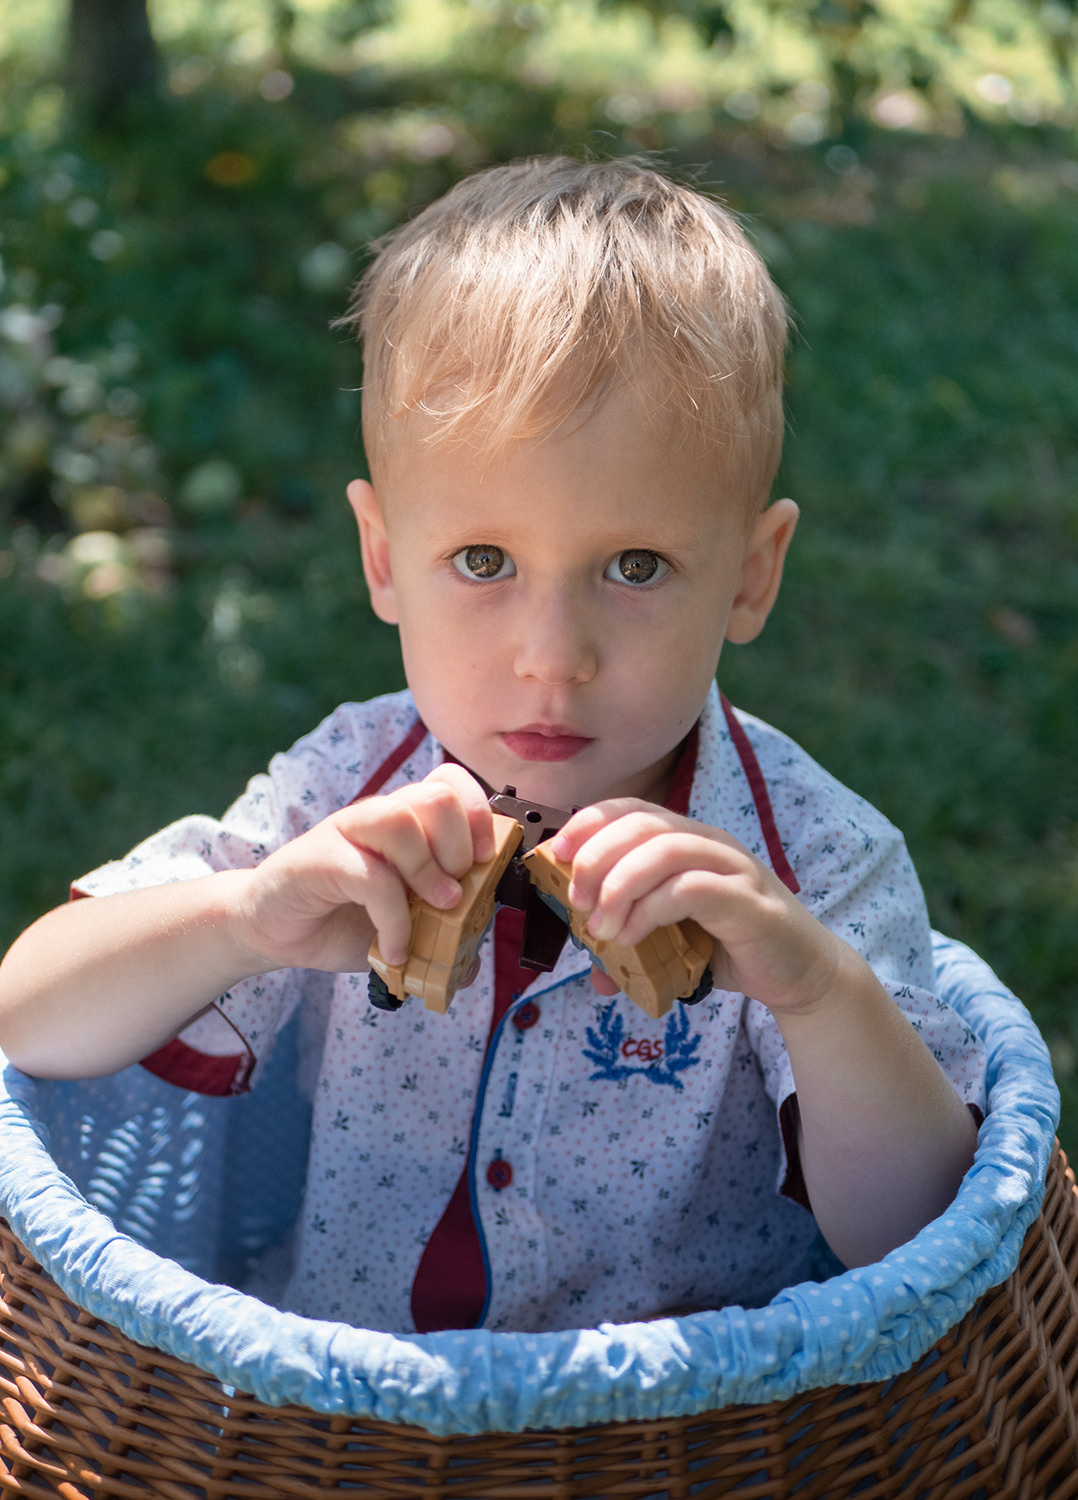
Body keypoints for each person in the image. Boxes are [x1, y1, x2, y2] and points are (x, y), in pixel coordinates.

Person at [0, 156, 984, 1335]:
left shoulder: (811, 866)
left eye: (635, 567)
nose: (552, 657)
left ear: (750, 574)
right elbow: (29, 1018)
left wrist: (814, 990)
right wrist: (246, 917)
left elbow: (924, 1233)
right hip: (339, 1401)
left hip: (685, 1417)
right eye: (483, 562)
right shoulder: (344, 793)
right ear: (382, 559)